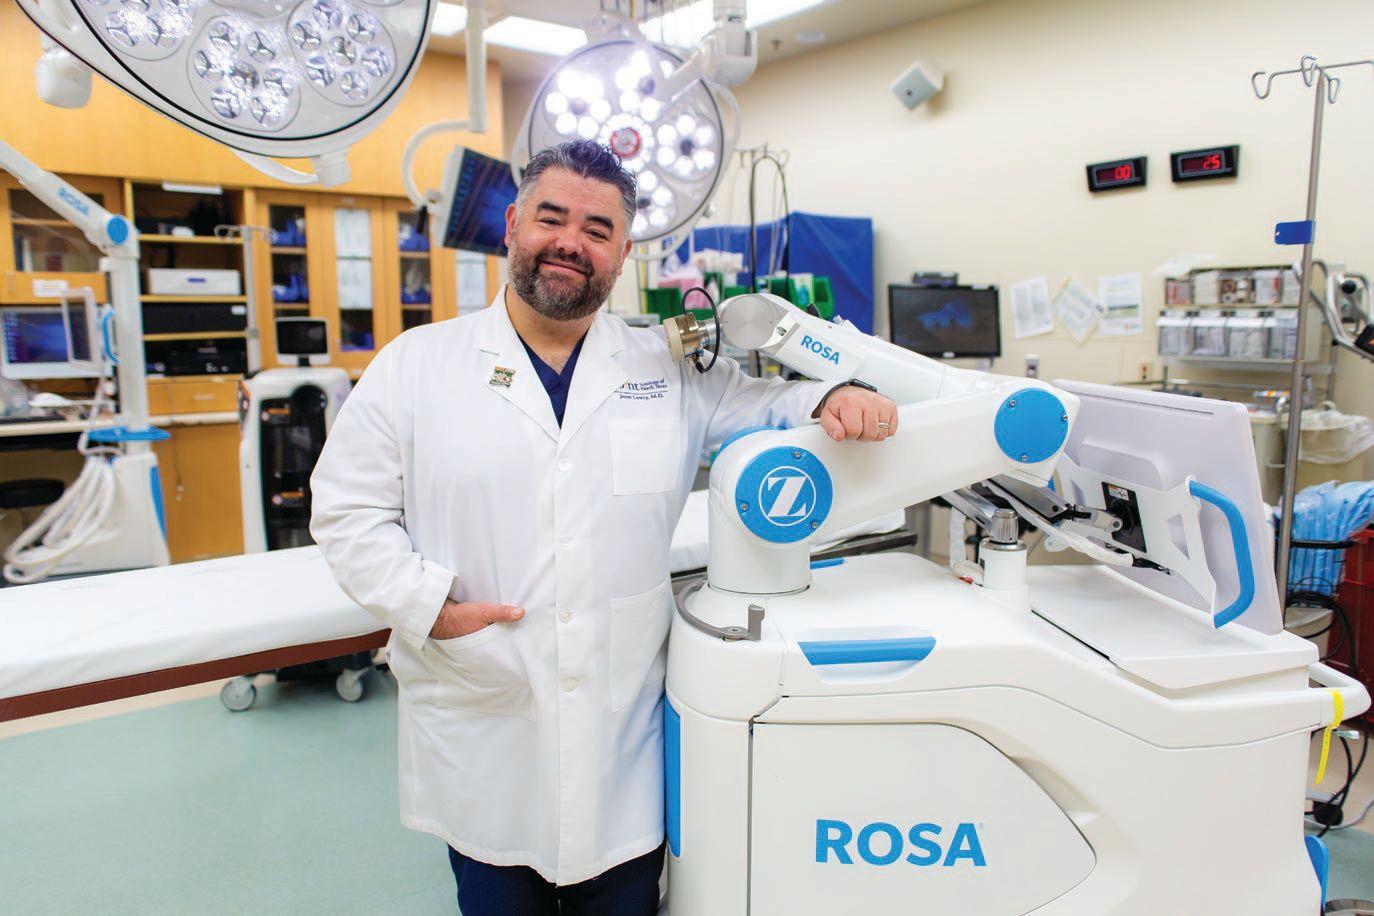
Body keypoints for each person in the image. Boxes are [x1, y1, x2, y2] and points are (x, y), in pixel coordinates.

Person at [309, 138, 898, 915]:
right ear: (513, 226)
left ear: (622, 254)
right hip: (487, 711)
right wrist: (428, 605)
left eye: (597, 230)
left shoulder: (668, 365)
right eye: (551, 218)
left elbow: (768, 409)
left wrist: (831, 397)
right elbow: (347, 509)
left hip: (623, 731)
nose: (570, 243)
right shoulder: (416, 365)